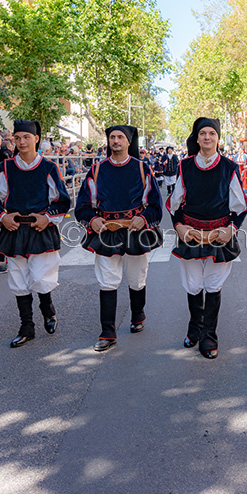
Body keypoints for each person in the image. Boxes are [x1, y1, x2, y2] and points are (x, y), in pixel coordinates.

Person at [75, 125, 163, 352]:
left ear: (128, 141)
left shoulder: (142, 169)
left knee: (136, 278)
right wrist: (91, 220)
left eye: (120, 137)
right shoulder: (96, 170)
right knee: (107, 280)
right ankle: (107, 332)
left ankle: (137, 315)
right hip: (106, 232)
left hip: (136, 231)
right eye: (112, 137)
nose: (115, 141)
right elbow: (82, 207)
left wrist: (144, 219)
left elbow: (155, 205)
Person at [0, 121, 71, 348]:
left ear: (36, 139)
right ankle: (26, 326)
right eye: (17, 138)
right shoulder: (6, 167)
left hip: (40, 228)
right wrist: (2, 216)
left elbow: (61, 200)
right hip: (14, 229)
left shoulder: (49, 167)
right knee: (18, 278)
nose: (21, 142)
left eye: (26, 137)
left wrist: (47, 217)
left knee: (41, 277)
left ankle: (47, 310)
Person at [166, 119, 247, 359]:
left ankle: (209, 335)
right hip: (190, 233)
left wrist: (231, 229)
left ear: (218, 138)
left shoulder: (229, 167)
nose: (207, 137)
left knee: (213, 286)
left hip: (219, 235)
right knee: (192, 285)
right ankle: (195, 327)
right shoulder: (185, 166)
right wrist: (179, 226)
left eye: (212, 133)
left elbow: (241, 207)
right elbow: (174, 204)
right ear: (197, 138)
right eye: (203, 133)